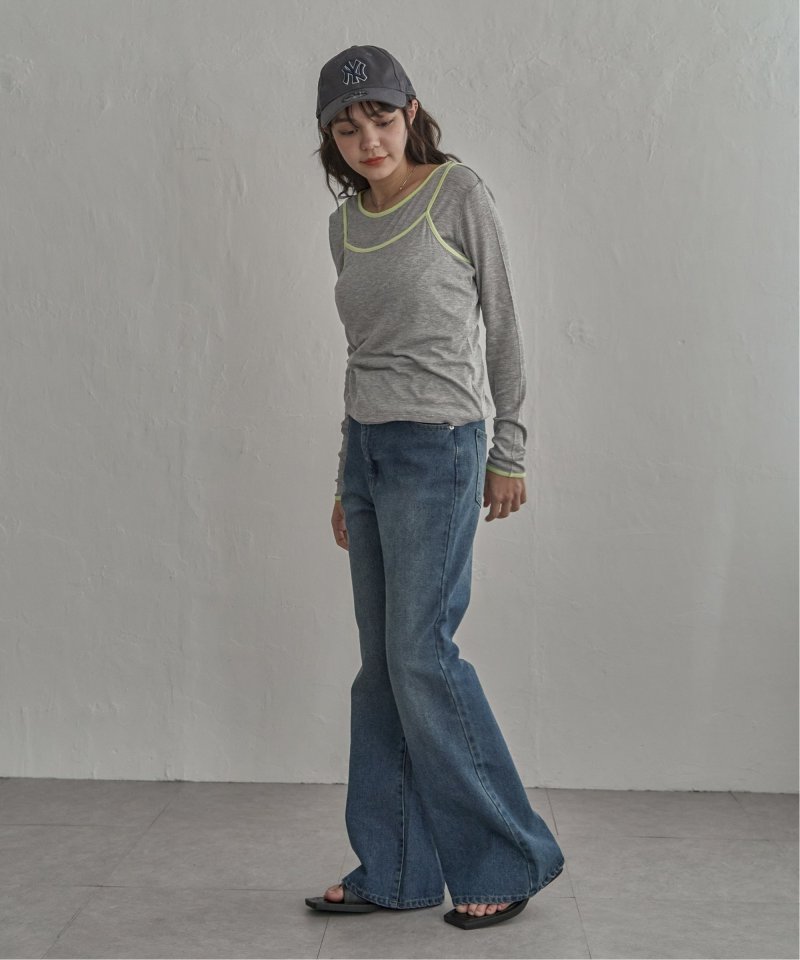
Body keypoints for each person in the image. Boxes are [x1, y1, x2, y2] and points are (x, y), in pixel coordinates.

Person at [305, 44, 565, 931]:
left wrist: (510, 450)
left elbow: (504, 324)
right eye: (348, 129)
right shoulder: (345, 226)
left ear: (410, 112)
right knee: (382, 669)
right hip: (369, 454)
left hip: (441, 448)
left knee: (421, 656)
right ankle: (395, 870)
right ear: (332, 139)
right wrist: (345, 473)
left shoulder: (458, 194)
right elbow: (362, 356)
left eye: (381, 119)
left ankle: (510, 857)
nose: (368, 141)